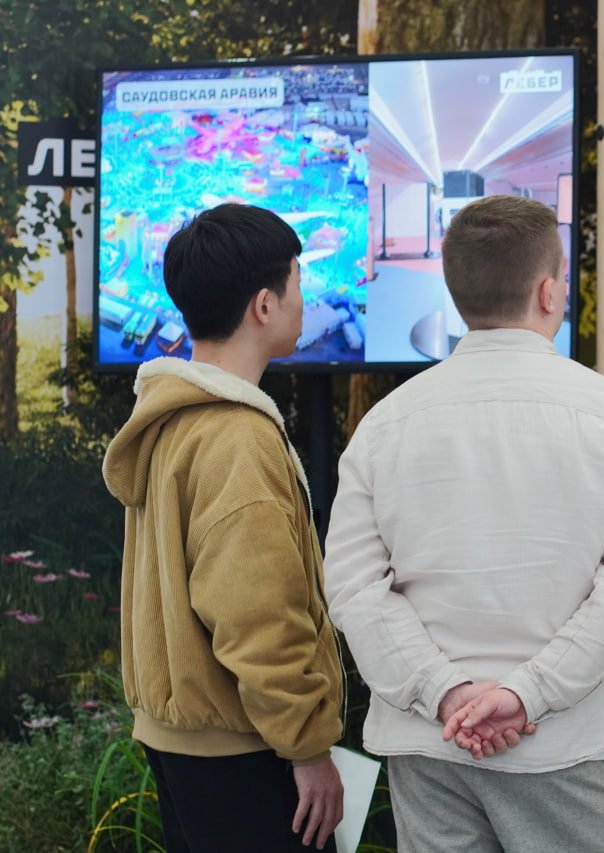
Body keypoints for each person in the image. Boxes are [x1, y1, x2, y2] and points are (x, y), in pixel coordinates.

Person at [325, 194, 604, 853]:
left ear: (456, 293)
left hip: (432, 748)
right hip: (572, 747)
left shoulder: (383, 426)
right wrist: (526, 695)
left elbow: (353, 588)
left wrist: (446, 693)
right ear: (548, 291)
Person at [103, 203, 345, 852]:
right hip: (243, 750)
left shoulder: (171, 420)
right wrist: (307, 746)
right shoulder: (237, 436)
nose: (304, 299)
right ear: (264, 305)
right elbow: (256, 615)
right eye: (298, 282)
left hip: (181, 744)